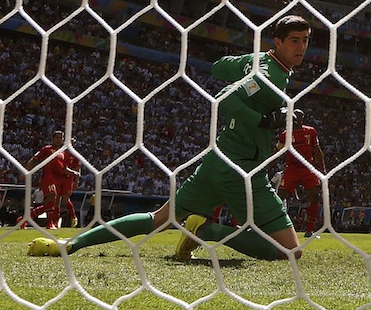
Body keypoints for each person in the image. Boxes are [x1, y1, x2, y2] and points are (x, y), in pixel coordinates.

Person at [28, 15, 311, 261]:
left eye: (305, 40)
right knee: (290, 252)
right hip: (243, 171)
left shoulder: (261, 62)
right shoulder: (269, 73)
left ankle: (71, 244)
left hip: (216, 163)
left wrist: (259, 84)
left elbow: (219, 67)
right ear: (277, 42)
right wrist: (263, 119)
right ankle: (206, 230)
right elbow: (224, 97)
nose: (301, 47)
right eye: (294, 40)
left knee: (158, 219)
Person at [275, 108, 326, 238]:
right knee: (279, 198)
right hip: (291, 169)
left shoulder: (310, 131)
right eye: (294, 116)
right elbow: (277, 152)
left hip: (307, 168)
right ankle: (275, 228)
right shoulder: (285, 134)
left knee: (315, 195)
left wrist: (322, 169)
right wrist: (267, 165)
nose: (296, 119)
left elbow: (317, 150)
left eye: (298, 116)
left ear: (302, 118)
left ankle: (309, 231)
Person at [22, 130, 79, 229]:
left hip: (58, 180)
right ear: (52, 138)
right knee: (52, 199)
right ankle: (50, 224)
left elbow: (64, 169)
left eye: (60, 138)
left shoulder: (63, 154)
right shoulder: (46, 149)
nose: (58, 140)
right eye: (57, 137)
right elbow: (34, 159)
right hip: (48, 178)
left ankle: (23, 220)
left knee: (50, 204)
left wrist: (74, 173)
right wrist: (26, 171)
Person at [57, 138, 81, 227]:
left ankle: (74, 217)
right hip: (59, 178)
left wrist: (76, 182)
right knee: (57, 199)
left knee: (65, 199)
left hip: (68, 179)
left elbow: (78, 169)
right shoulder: (61, 153)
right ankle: (54, 220)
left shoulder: (76, 156)